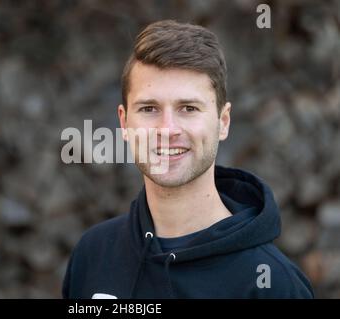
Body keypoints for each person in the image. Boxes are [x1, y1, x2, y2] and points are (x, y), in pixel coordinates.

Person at [62, 20, 314, 299]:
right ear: (123, 122)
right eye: (149, 108)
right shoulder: (93, 255)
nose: (168, 129)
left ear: (223, 122)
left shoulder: (272, 283)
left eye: (189, 108)